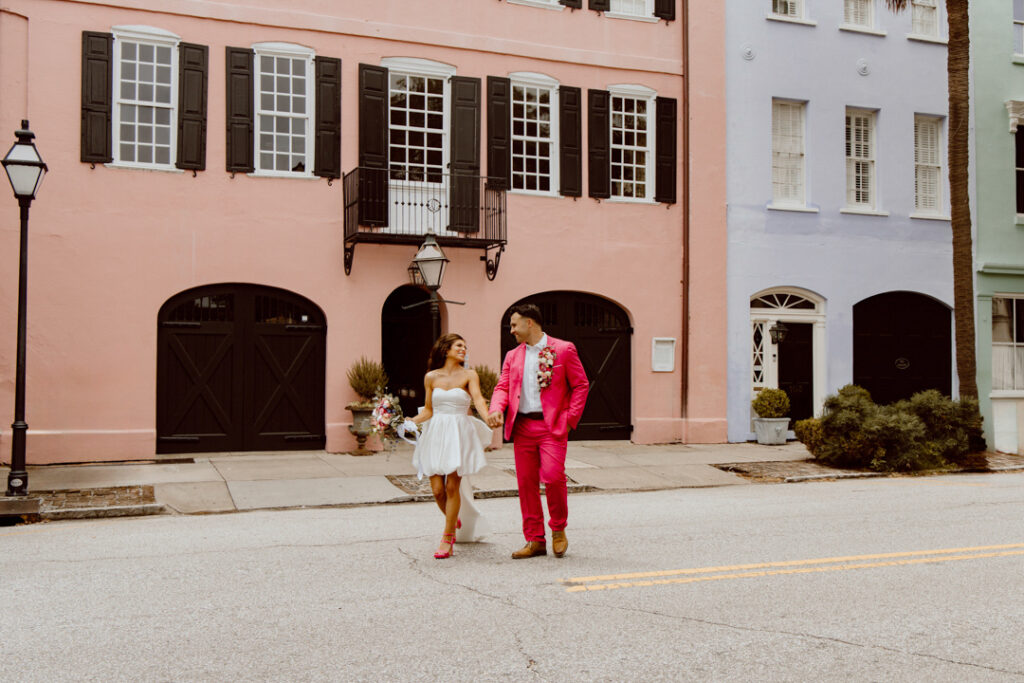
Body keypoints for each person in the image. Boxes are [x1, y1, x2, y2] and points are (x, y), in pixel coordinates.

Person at [487, 304, 589, 559]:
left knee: (554, 478)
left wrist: (569, 418)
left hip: (551, 427)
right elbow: (502, 386)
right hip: (521, 427)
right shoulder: (512, 355)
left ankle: (558, 529)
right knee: (526, 484)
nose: (512, 330)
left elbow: (580, 385)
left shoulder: (563, 349)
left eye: (514, 325)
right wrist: (496, 408)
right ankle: (535, 540)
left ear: (529, 323)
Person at [406, 333, 493, 559]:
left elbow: (478, 399)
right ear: (446, 350)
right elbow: (428, 410)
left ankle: (447, 538)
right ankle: (452, 520)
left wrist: (489, 416)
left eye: (465, 346)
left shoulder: (469, 375)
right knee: (437, 491)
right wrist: (408, 422)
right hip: (435, 432)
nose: (464, 349)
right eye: (459, 346)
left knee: (452, 487)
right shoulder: (431, 377)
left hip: (458, 433)